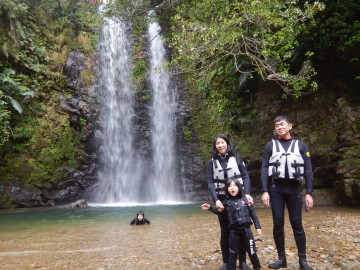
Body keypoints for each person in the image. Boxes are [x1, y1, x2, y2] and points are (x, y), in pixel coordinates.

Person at [260, 115, 314, 270]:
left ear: (290, 126)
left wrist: (309, 193)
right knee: (278, 224)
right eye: (277, 125)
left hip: (294, 189)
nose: (279, 127)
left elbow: (309, 171)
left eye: (282, 124)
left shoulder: (301, 146)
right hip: (276, 190)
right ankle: (281, 258)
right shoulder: (270, 146)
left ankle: (302, 260)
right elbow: (264, 169)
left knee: (297, 224)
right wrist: (265, 191)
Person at [207, 134, 254, 270]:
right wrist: (216, 200)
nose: (221, 145)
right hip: (222, 199)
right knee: (225, 231)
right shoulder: (211, 162)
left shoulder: (237, 158)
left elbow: (245, 176)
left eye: (223, 142)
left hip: (239, 198)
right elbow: (210, 182)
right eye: (218, 143)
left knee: (242, 229)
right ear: (215, 146)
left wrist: (247, 194)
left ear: (227, 143)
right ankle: (226, 261)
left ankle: (243, 261)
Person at [201, 179, 262, 270]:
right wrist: (210, 207)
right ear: (227, 189)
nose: (232, 188)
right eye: (229, 186)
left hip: (246, 230)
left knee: (252, 250)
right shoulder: (226, 202)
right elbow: (219, 211)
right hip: (234, 232)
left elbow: (253, 213)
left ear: (239, 188)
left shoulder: (246, 199)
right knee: (233, 253)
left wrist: (258, 226)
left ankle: (257, 267)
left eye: (234, 186)